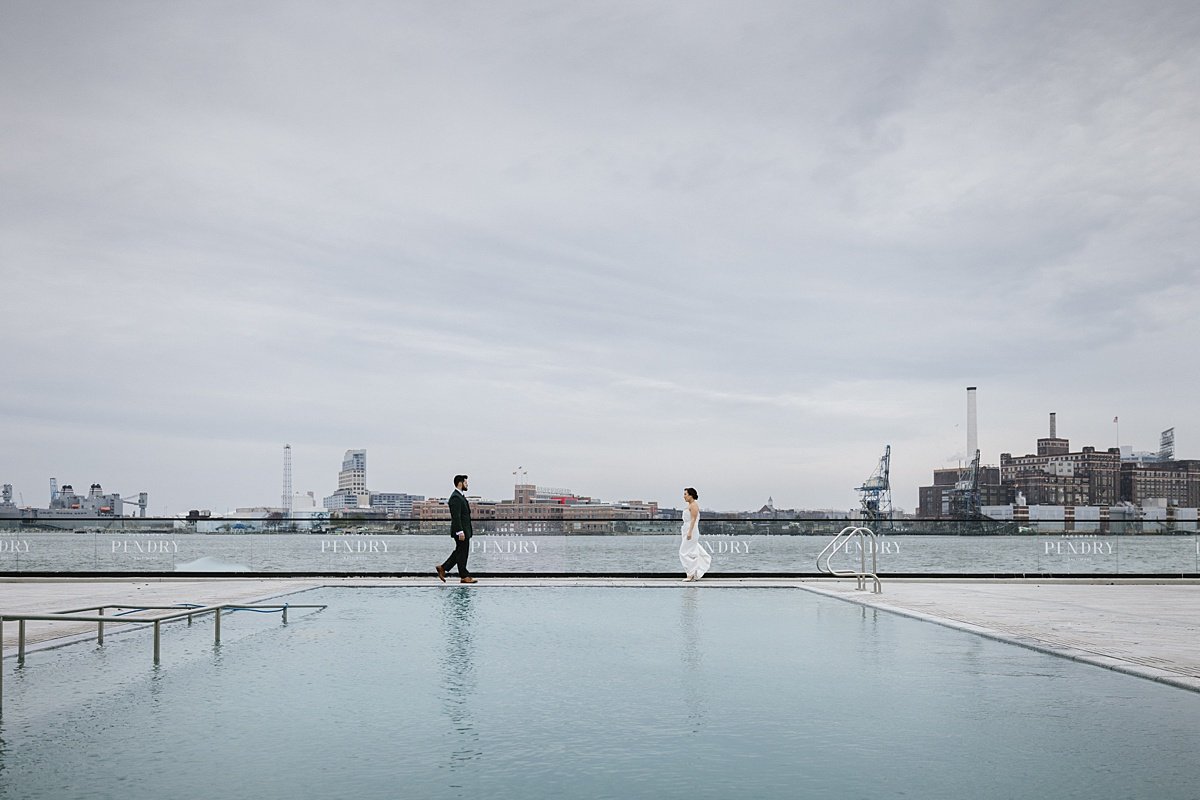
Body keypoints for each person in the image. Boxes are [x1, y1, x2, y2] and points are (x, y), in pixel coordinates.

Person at [437, 475, 477, 584]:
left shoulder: (460, 496)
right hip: (461, 531)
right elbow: (456, 516)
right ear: (460, 483)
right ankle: (464, 576)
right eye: (466, 482)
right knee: (462, 553)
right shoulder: (455, 497)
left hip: (464, 530)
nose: (467, 484)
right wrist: (460, 531)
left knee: (460, 552)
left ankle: (443, 568)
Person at [679, 487, 711, 581]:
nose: (684, 496)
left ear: (691, 495)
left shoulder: (694, 505)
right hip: (687, 529)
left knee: (683, 552)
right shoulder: (690, 505)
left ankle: (690, 573)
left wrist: (689, 532)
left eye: (685, 494)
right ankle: (693, 572)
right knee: (691, 551)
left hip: (691, 530)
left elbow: (693, 519)